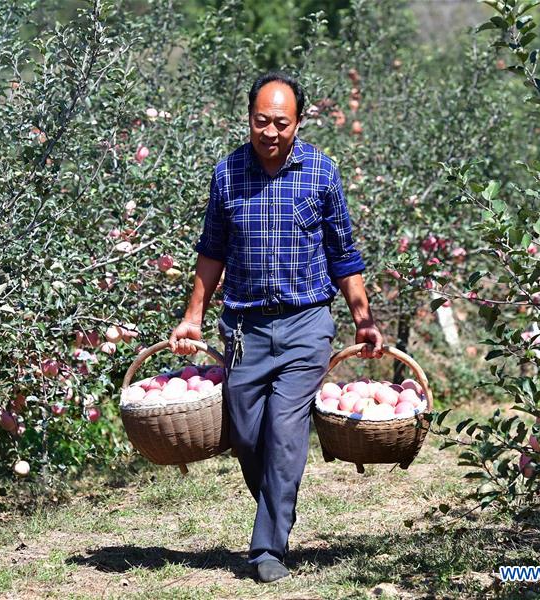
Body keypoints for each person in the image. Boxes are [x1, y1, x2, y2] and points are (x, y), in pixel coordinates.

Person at [168, 71, 384, 583]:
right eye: (261, 121)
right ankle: (279, 506)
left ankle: (266, 548)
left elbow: (343, 253)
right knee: (247, 435)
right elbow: (212, 252)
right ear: (249, 118)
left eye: (280, 123)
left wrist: (363, 319)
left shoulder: (321, 173)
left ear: (299, 122)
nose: (269, 132)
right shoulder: (228, 174)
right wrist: (193, 315)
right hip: (244, 329)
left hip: (306, 323)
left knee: (286, 432)